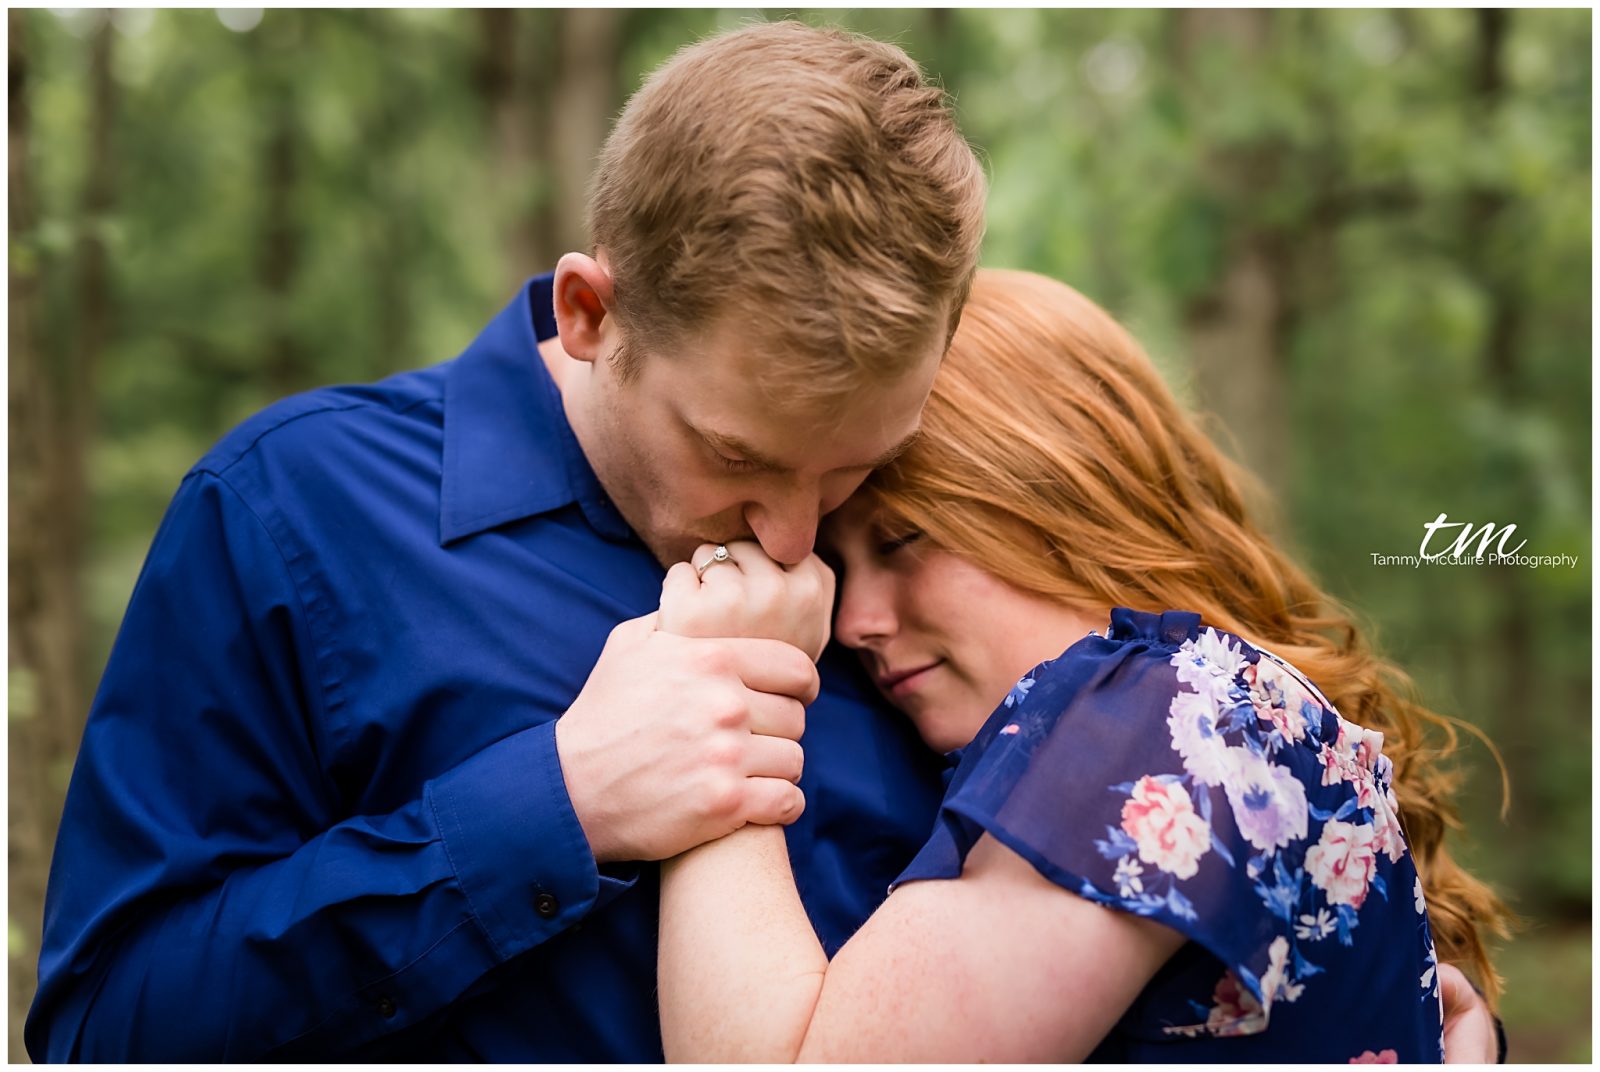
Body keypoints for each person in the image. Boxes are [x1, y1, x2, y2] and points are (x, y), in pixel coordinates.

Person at [25, 21, 986, 1061]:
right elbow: (106, 1029)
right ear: (588, 312)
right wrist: (556, 803)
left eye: (852, 466)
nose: (799, 540)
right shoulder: (288, 511)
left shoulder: (935, 550)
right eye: (734, 455)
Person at [654, 269, 1511, 1062]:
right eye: (842, 565)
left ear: (1060, 490)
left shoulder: (1147, 725)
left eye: (903, 538)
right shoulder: (1233, 707)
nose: (856, 621)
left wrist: (721, 687)